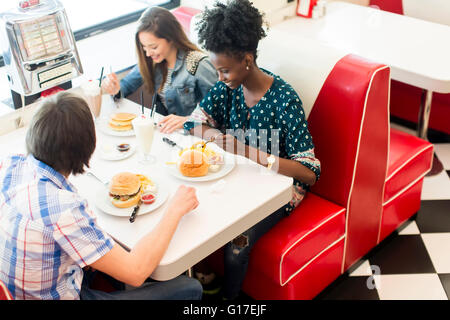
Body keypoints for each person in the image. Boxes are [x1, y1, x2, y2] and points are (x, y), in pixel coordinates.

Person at [0, 92, 202, 300]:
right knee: (190, 288)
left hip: (19, 291)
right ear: (87, 146)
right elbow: (136, 272)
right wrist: (175, 209)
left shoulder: (11, 165)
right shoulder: (62, 208)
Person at [183, 0, 321, 300]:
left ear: (247, 59)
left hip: (281, 189)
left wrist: (249, 152)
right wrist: (219, 138)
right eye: (218, 71)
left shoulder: (284, 99)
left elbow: (308, 173)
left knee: (236, 247)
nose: (220, 78)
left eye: (225, 71)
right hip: (239, 180)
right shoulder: (227, 87)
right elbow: (193, 124)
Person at [101, 6, 218, 134]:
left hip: (196, 135)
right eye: (144, 47)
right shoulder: (152, 61)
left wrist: (188, 120)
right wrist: (114, 88)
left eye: (153, 47)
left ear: (171, 38)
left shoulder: (198, 64)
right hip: (168, 132)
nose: (148, 53)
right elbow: (126, 86)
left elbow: (219, 109)